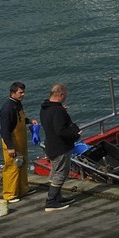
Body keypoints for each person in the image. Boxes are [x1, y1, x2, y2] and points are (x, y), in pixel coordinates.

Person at [38, 83, 80, 212]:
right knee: (61, 173)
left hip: (50, 145)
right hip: (59, 147)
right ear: (61, 95)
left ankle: (57, 198)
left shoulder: (45, 109)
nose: (66, 97)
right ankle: (51, 201)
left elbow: (53, 122)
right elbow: (60, 130)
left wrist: (62, 112)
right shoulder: (57, 111)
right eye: (65, 95)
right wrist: (75, 134)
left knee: (55, 171)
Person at [0, 81, 30, 203]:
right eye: (20, 92)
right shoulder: (7, 109)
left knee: (22, 164)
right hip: (11, 142)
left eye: (23, 92)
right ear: (13, 93)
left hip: (20, 141)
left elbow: (19, 119)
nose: (23, 94)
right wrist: (10, 147)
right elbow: (4, 130)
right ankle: (9, 194)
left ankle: (22, 189)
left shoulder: (17, 104)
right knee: (12, 167)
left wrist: (29, 121)